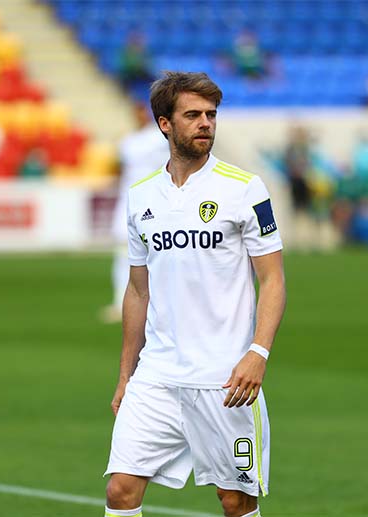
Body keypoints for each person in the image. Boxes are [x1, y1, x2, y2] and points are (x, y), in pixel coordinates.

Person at [103, 72, 286, 517]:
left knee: (236, 500)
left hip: (225, 379)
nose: (205, 123)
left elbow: (274, 280)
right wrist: (127, 373)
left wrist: (257, 353)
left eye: (211, 114)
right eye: (193, 115)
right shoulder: (141, 196)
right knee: (120, 492)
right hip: (157, 376)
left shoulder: (245, 189)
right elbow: (137, 291)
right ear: (165, 124)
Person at [101, 102, 170, 323]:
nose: (139, 116)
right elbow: (119, 169)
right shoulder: (128, 142)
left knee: (161, 250)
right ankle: (120, 301)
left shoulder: (160, 139)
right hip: (128, 201)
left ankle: (160, 302)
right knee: (123, 252)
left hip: (155, 201)